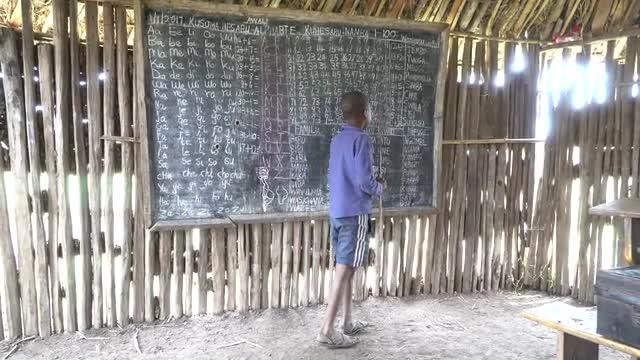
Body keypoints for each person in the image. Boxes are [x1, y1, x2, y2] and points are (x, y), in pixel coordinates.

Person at [317, 91, 385, 348]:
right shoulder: (362, 140)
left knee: (346, 267)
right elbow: (365, 182)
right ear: (364, 113)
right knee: (344, 269)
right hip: (354, 214)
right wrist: (380, 187)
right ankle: (327, 329)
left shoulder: (337, 140)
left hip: (336, 212)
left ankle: (346, 322)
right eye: (370, 109)